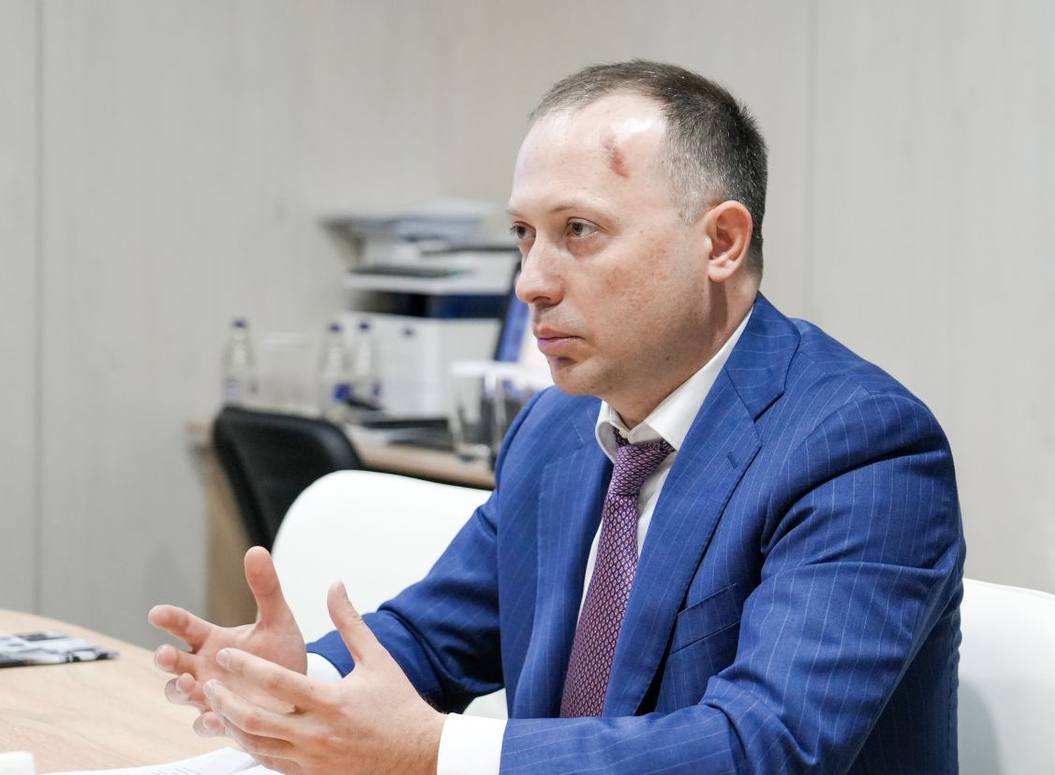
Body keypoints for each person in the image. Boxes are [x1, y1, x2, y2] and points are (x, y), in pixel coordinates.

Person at [150, 60, 965, 774]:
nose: (530, 283)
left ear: (720, 241)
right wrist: (302, 683)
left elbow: (762, 747)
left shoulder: (860, 446)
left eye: (578, 230)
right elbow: (437, 635)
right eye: (523, 235)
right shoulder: (557, 429)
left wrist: (433, 751)